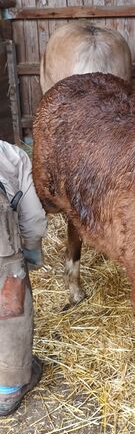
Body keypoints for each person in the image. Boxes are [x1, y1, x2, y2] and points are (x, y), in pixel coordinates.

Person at [0, 140, 47, 416]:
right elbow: (33, 216)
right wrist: (29, 250)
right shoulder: (11, 154)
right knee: (10, 300)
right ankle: (8, 389)